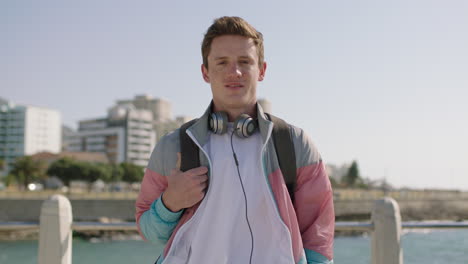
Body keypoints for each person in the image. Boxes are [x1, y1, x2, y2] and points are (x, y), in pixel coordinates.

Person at [136, 16, 335, 264]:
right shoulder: (173, 146)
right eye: (222, 62)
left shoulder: (295, 143)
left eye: (245, 61)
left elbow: (318, 239)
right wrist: (170, 203)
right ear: (205, 72)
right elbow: (149, 232)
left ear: (261, 70)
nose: (235, 72)